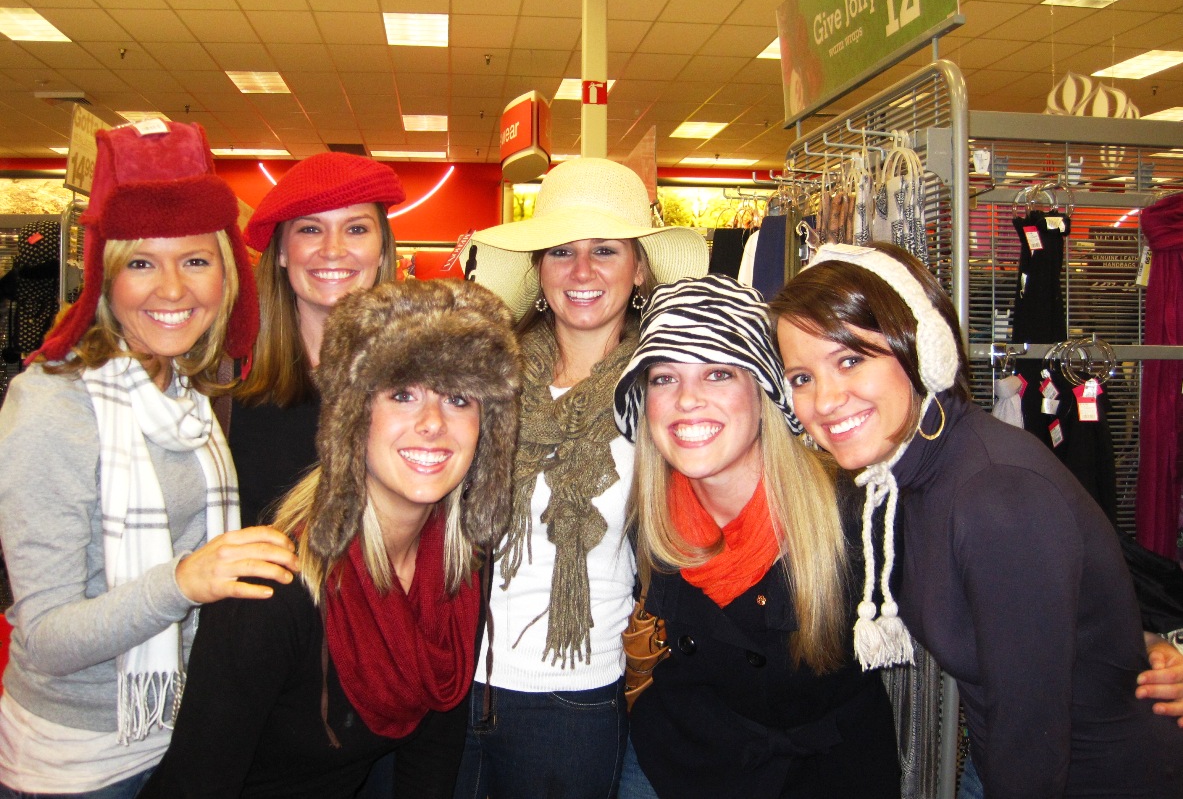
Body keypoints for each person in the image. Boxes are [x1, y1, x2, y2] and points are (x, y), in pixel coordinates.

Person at [772, 241, 1183, 798]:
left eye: (850, 360)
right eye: (802, 377)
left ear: (926, 349)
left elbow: (1031, 736)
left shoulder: (993, 493)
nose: (824, 401)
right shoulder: (909, 471)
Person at [0, 121, 299, 798]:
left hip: (181, 732)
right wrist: (186, 580)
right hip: (80, 763)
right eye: (141, 263)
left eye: (194, 260)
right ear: (106, 277)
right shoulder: (53, 403)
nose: (171, 289)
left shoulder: (185, 387)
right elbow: (44, 636)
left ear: (226, 273)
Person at [140, 279, 522, 798]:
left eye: (458, 398)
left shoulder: (459, 573)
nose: (433, 423)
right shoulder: (273, 588)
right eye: (403, 394)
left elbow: (432, 757)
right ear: (352, 417)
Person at [453, 157, 708, 799]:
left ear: (639, 270)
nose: (582, 270)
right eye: (561, 251)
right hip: (454, 680)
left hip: (573, 699)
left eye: (605, 250)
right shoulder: (489, 380)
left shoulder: (663, 395)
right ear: (539, 270)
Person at [611, 274, 900, 798]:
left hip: (829, 777)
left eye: (718, 373)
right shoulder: (644, 521)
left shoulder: (856, 512)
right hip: (678, 773)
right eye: (664, 378)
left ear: (763, 391)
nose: (687, 400)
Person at [232, 151, 405, 527]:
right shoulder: (227, 376)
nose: (332, 250)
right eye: (310, 229)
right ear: (281, 251)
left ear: (381, 251)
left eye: (356, 229)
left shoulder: (421, 374)